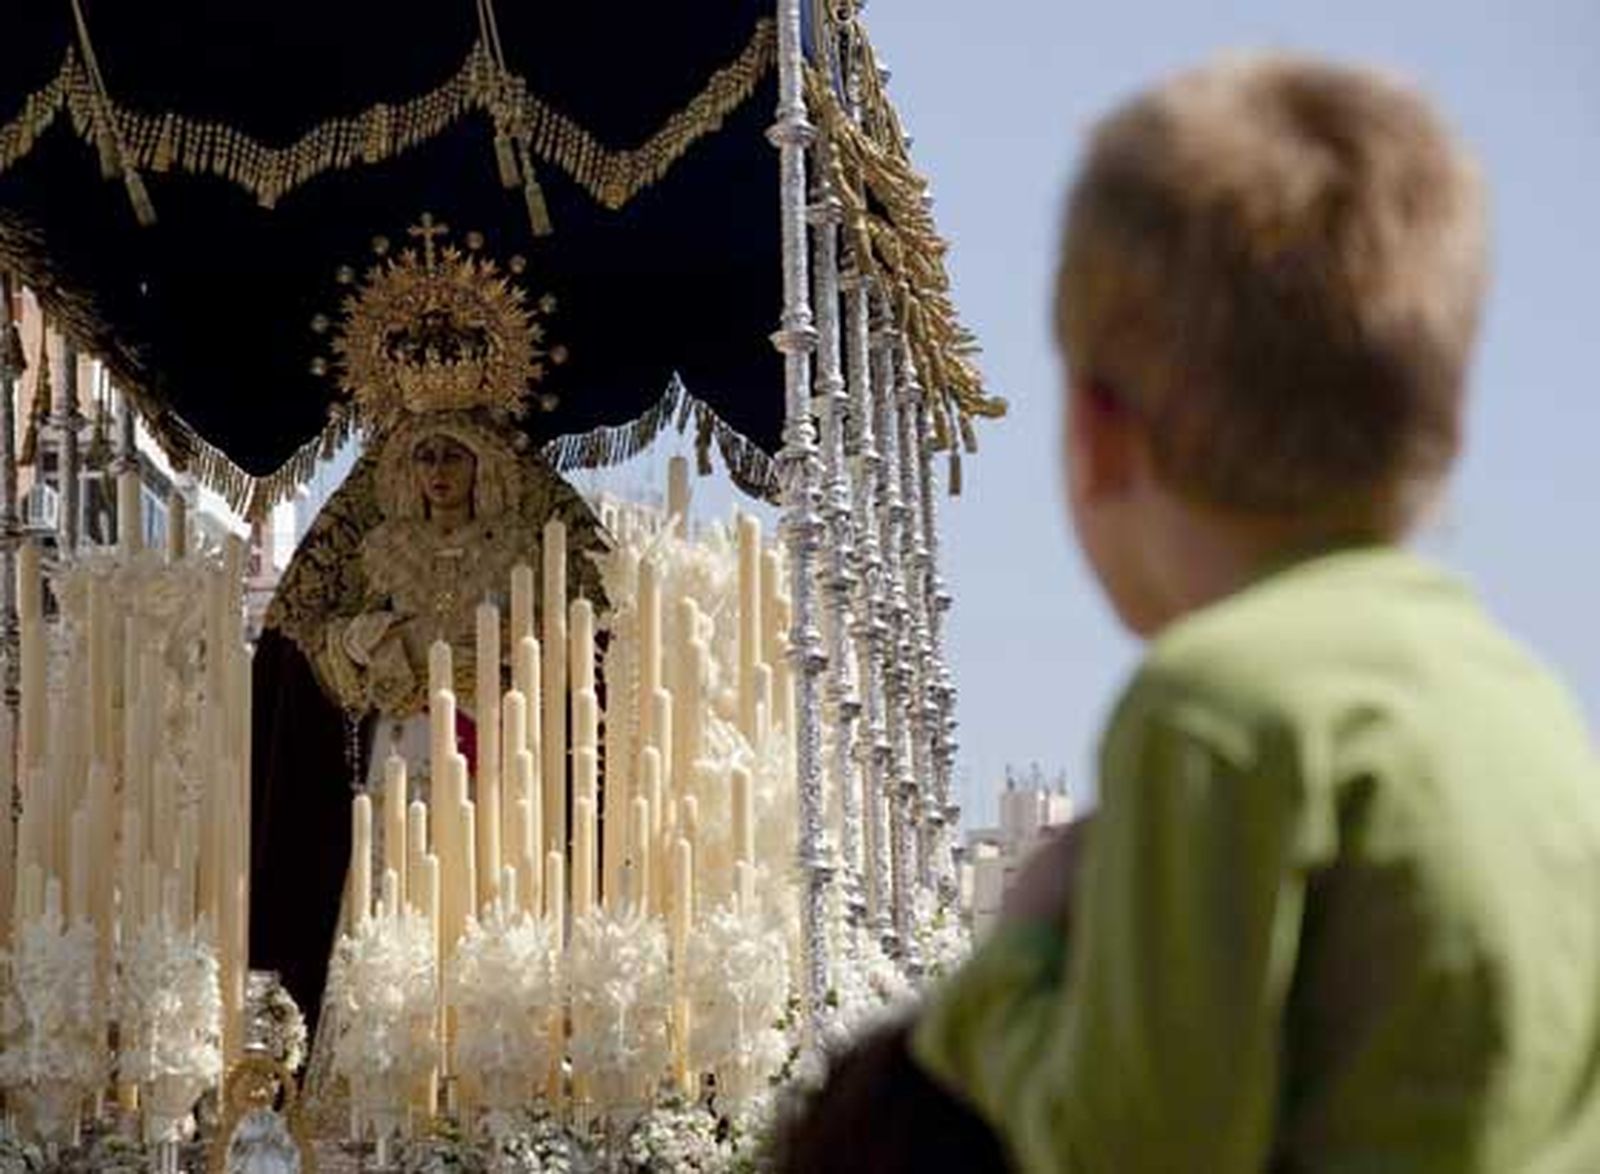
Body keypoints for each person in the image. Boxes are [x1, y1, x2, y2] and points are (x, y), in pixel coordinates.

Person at [912, 53, 1600, 1171]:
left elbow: (1131, 1149)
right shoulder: (1531, 709)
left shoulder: (1213, 706)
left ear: (1095, 434)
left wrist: (1002, 978)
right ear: (1438, 436)